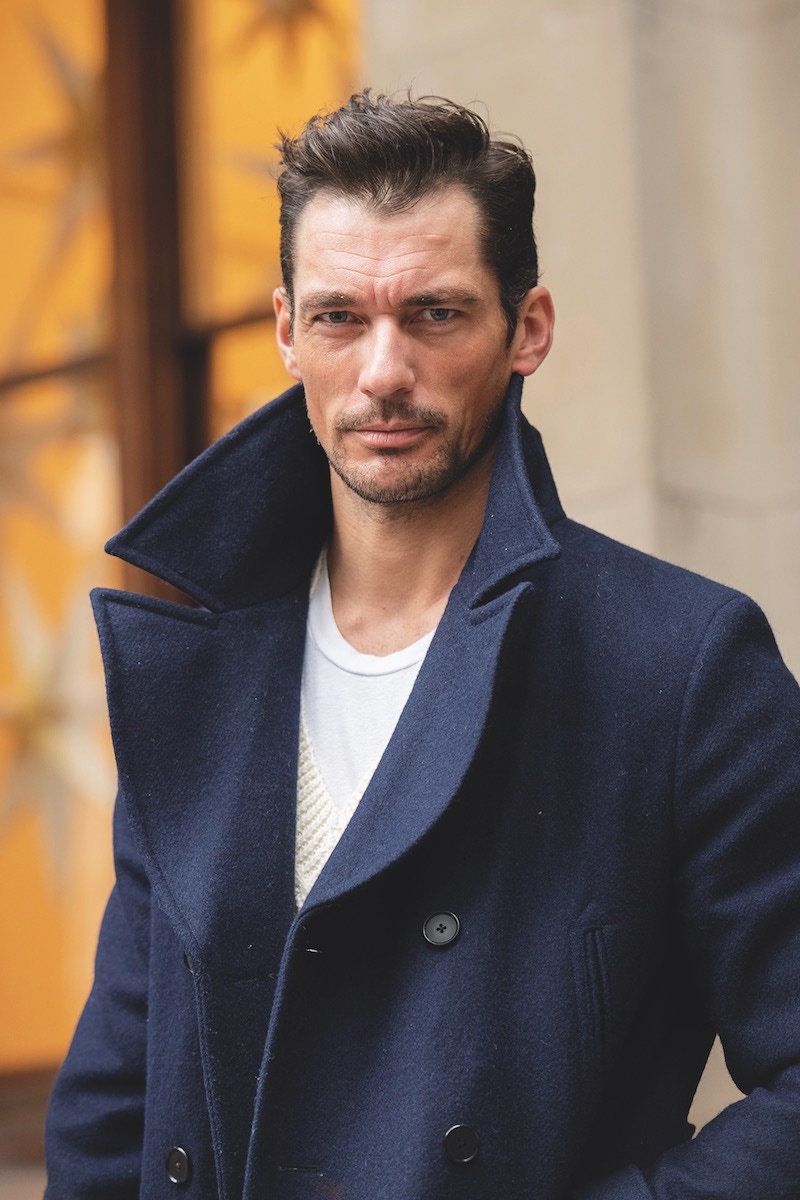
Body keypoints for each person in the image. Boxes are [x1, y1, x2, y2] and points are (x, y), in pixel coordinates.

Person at [45, 90, 800, 1199]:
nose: (383, 370)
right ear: (286, 332)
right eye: (342, 317)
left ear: (525, 328)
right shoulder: (200, 674)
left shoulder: (678, 665)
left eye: (435, 315)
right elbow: (114, 1109)